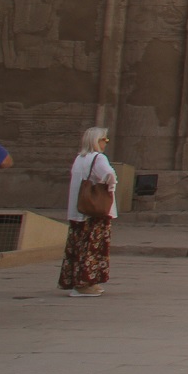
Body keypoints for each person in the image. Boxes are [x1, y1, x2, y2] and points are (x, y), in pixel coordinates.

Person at [58, 127, 115, 297]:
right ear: (96, 141)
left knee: (78, 246)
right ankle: (84, 284)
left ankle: (79, 281)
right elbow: (109, 175)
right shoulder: (99, 158)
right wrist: (110, 186)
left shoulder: (80, 159)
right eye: (104, 140)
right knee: (92, 247)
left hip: (78, 209)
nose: (105, 143)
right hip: (93, 211)